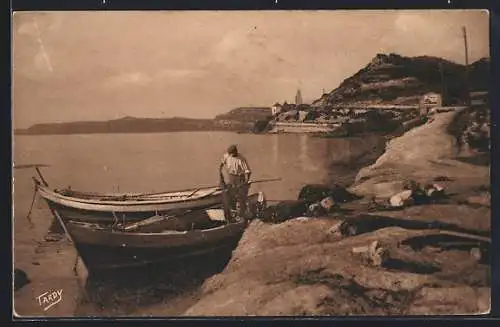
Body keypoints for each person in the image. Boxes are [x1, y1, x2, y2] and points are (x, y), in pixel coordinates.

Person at [219, 145, 252, 221]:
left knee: (241, 197)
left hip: (240, 178)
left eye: (232, 153)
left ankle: (242, 215)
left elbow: (248, 172)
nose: (231, 155)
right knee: (231, 195)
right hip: (231, 177)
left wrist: (246, 181)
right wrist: (220, 174)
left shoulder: (241, 159)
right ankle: (233, 214)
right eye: (230, 154)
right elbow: (221, 164)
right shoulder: (227, 156)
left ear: (235, 152)